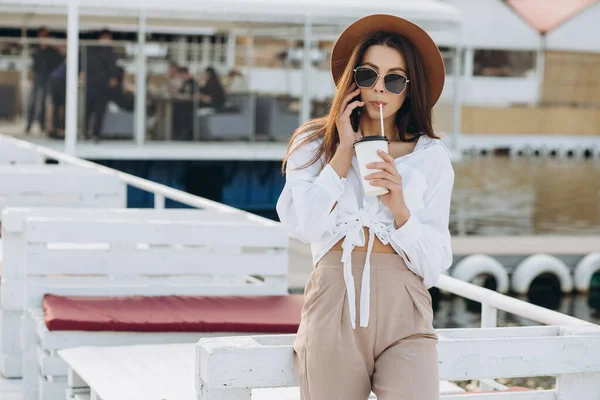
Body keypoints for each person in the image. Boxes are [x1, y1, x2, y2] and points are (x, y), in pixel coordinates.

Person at [276, 14, 454, 400]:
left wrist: (400, 207)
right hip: (334, 301)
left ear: (409, 88)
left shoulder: (431, 156)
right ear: (352, 79)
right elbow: (305, 226)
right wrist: (342, 150)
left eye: (393, 79)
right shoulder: (312, 144)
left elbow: (434, 263)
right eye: (368, 74)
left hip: (405, 307)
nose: (379, 89)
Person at [83, 28, 119, 141]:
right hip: (91, 84)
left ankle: (95, 134)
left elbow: (113, 69)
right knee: (88, 110)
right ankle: (85, 133)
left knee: (99, 111)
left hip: (102, 86)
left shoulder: (110, 52)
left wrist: (113, 78)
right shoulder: (91, 50)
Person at [26, 26, 63, 134]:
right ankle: (29, 123)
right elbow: (33, 59)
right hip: (38, 75)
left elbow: (59, 59)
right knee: (33, 100)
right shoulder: (35, 47)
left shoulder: (52, 49)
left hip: (48, 76)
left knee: (44, 101)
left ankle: (41, 123)